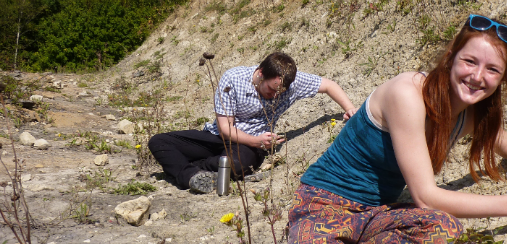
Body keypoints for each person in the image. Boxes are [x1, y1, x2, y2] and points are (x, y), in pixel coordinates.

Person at [284, 14, 507, 244]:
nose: (478, 76)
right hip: (323, 205)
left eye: (492, 69)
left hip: (378, 213)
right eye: (470, 61)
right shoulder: (408, 93)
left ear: (502, 79)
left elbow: (502, 143)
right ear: (451, 58)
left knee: (444, 233)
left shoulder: (467, 113)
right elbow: (425, 198)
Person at [148, 52, 357, 194]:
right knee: (158, 141)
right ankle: (191, 176)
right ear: (260, 73)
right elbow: (224, 128)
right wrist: (257, 140)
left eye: (280, 92)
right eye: (271, 89)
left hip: (248, 147)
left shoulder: (289, 82)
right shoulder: (233, 79)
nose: (276, 95)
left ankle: (196, 168)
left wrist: (349, 109)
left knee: (234, 164)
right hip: (218, 136)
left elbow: (329, 85)